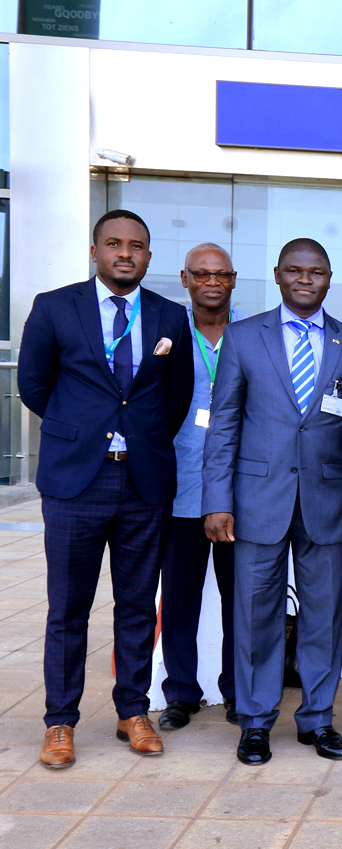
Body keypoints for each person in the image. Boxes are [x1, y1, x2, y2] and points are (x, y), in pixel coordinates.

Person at [19, 210, 194, 769]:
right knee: (68, 609)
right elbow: (34, 385)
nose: (126, 253)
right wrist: (84, 433)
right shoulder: (54, 306)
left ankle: (133, 711)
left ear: (148, 256)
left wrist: (138, 439)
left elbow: (178, 394)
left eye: (137, 246)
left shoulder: (170, 314)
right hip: (76, 481)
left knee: (139, 604)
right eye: (114, 244)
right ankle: (60, 722)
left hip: (143, 481)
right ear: (95, 251)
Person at [203, 239, 342, 765]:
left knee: (323, 615)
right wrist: (216, 499)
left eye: (316, 272)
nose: (305, 279)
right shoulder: (242, 336)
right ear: (277, 274)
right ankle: (254, 722)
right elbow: (225, 422)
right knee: (256, 614)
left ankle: (318, 720)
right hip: (256, 498)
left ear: (329, 277)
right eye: (295, 271)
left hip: (327, 498)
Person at [158, 243, 245, 731]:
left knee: (242, 600)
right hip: (179, 488)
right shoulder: (166, 332)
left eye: (222, 274)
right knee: (180, 599)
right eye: (202, 274)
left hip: (238, 493)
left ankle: (236, 691)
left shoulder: (255, 333)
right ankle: (180, 694)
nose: (212, 282)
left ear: (234, 280)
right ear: (186, 279)